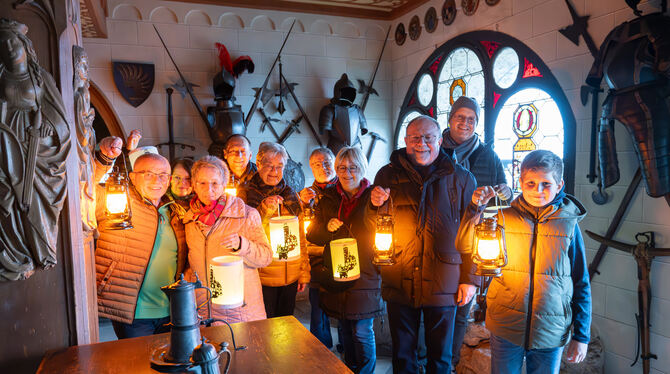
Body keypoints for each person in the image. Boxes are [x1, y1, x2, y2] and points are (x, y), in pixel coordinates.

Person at [456, 150, 591, 374]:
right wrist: (475, 208)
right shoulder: (503, 217)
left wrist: (582, 336)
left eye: (546, 184)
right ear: (520, 182)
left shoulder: (568, 225)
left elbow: (581, 282)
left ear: (559, 185)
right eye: (531, 183)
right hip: (506, 326)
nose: (538, 190)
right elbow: (464, 245)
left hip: (550, 330)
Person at [370, 115, 477, 373]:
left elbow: (474, 233)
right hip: (400, 276)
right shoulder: (386, 174)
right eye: (415, 138)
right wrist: (372, 205)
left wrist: (470, 279)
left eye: (428, 138)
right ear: (406, 142)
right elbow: (371, 224)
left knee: (440, 357)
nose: (422, 144)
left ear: (440, 140)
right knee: (403, 355)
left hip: (445, 281)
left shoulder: (462, 179)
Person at [441, 96, 512, 366]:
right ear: (450, 119)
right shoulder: (437, 151)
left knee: (462, 305)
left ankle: (449, 363)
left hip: (472, 242)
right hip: (442, 237)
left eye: (471, 119)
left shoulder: (488, 156)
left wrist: (505, 192)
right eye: (460, 117)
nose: (465, 123)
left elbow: (504, 194)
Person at [0, 18, 71, 281]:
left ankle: (42, 250)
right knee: (11, 198)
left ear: (24, 45)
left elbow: (59, 116)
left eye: (13, 42)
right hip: (7, 143)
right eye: (3, 43)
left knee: (33, 199)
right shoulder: (1, 76)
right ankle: (17, 254)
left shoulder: (40, 77)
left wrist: (49, 128)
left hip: (35, 147)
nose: (8, 47)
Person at [95, 148, 188, 339]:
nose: (157, 181)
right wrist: (104, 159)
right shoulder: (116, 201)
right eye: (148, 174)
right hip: (133, 314)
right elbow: (84, 188)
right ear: (133, 177)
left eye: (163, 175)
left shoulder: (176, 212)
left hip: (171, 311)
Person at [307, 147, 383, 374]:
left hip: (366, 271)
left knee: (361, 329)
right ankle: (349, 368)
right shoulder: (329, 197)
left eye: (353, 167)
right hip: (337, 271)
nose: (347, 172)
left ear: (362, 168)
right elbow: (312, 233)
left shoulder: (373, 197)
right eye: (341, 168)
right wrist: (326, 227)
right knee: (345, 326)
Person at [184, 156, 272, 323]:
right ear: (193, 185)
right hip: (203, 310)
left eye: (215, 183)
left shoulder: (245, 214)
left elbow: (266, 257)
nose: (208, 189)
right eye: (202, 183)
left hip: (240, 310)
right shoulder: (189, 220)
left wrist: (243, 245)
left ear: (224, 184)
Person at [238, 142, 309, 318]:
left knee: (286, 326)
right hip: (262, 275)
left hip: (290, 275)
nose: (274, 171)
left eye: (279, 166)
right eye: (269, 165)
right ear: (259, 163)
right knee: (264, 325)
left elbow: (300, 236)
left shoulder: (290, 194)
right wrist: (264, 209)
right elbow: (244, 232)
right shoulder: (246, 193)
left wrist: (303, 272)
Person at [300, 147, 338, 348]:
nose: (323, 167)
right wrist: (303, 204)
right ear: (310, 168)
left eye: (326, 162)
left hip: (340, 255)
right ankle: (321, 349)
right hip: (315, 258)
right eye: (316, 164)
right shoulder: (306, 195)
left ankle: (346, 347)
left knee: (345, 305)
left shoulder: (346, 188)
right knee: (318, 306)